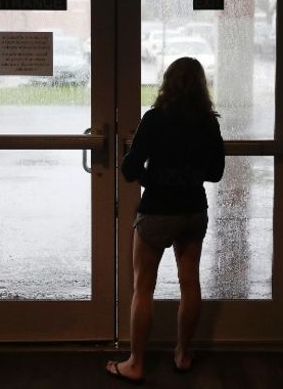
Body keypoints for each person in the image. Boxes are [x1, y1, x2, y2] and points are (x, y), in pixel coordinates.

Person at [106, 57, 225, 384]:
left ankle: (136, 363)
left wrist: (153, 179)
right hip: (193, 212)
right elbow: (215, 173)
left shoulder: (155, 119)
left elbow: (129, 169)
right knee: (190, 284)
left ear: (168, 83)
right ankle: (183, 355)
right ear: (201, 86)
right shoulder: (209, 122)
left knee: (143, 287)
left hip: (157, 211)